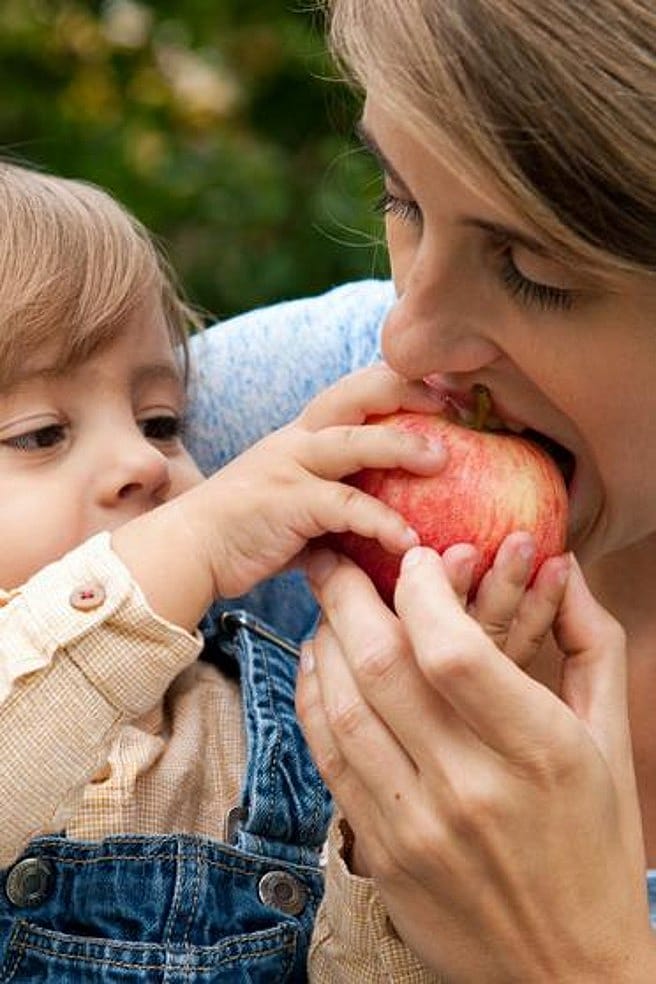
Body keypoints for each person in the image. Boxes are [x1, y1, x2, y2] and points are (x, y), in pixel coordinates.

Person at [183, 0, 656, 979]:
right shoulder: (255, 440)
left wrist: (577, 958)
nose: (404, 339)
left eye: (531, 269)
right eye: (400, 200)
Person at [0, 159, 461, 982]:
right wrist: (190, 542)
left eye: (160, 420)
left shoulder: (267, 720)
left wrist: (381, 834)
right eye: (40, 434)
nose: (143, 461)